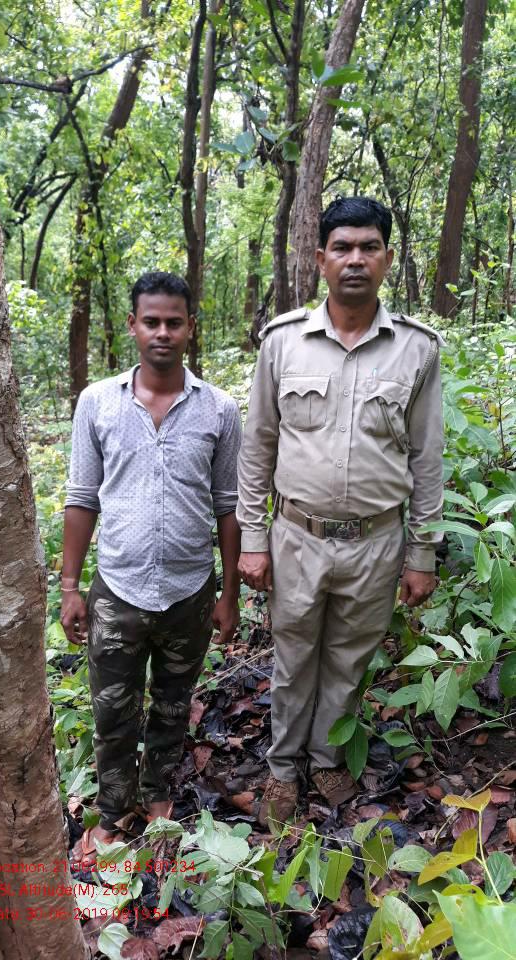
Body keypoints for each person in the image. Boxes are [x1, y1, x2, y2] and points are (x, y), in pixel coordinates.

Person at [236, 197, 444, 826]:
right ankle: (282, 769)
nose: (356, 259)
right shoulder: (283, 343)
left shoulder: (416, 349)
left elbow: (427, 456)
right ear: (320, 257)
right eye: (343, 247)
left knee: (350, 657)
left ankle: (327, 758)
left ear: (387, 258)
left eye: (369, 247)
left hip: (377, 541)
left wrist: (422, 552)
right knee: (293, 656)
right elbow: (258, 445)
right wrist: (252, 539)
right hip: (296, 535)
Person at [61, 270, 242, 862]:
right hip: (118, 590)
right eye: (152, 322)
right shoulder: (97, 403)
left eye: (174, 322)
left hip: (190, 591)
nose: (163, 332)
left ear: (190, 328)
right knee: (113, 711)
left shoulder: (219, 410)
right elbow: (81, 498)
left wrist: (229, 594)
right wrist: (70, 587)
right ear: (133, 326)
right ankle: (113, 815)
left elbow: (228, 506)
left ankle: (158, 798)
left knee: (171, 704)